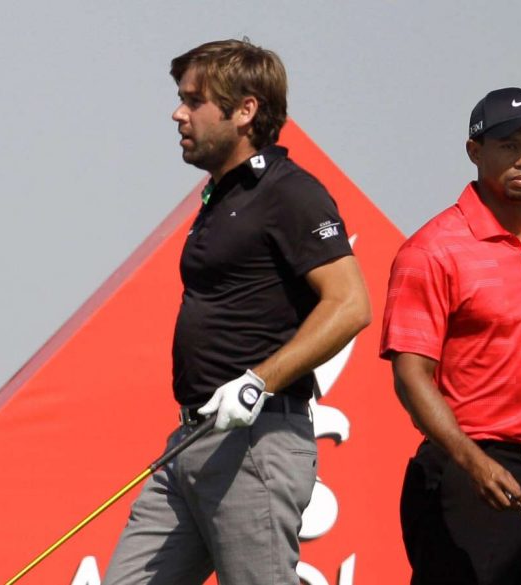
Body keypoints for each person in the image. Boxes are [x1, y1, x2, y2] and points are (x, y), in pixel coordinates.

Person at [104, 39, 371, 585]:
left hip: (255, 443)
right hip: (191, 442)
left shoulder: (289, 193)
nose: (178, 113)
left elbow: (350, 304)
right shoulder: (221, 196)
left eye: (194, 101)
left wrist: (257, 381)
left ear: (245, 110)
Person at [379, 88, 521, 584]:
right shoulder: (431, 251)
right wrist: (473, 463)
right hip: (465, 475)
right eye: (508, 145)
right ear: (474, 151)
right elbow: (411, 378)